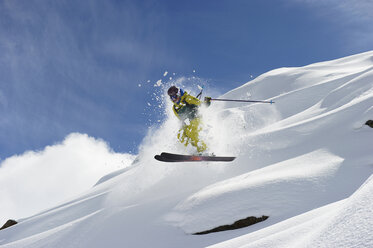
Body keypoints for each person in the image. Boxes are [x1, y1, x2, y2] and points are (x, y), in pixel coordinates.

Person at [167, 86, 211, 154]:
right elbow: (180, 119)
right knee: (181, 135)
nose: (173, 99)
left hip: (196, 118)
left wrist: (207, 102)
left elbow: (201, 104)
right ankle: (192, 150)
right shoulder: (175, 108)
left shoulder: (187, 98)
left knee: (192, 133)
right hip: (188, 123)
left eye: (174, 97)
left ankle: (204, 150)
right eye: (171, 98)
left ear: (178, 94)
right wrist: (183, 125)